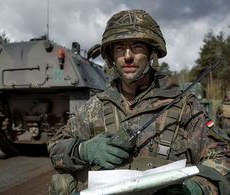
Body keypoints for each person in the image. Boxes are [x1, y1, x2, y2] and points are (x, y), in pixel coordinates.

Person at [48, 9, 230, 194]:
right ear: (112, 57)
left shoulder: (185, 107)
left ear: (152, 53)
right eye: (120, 48)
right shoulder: (95, 108)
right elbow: (55, 148)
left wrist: (194, 189)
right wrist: (83, 150)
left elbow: (223, 158)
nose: (128, 56)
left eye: (137, 46)